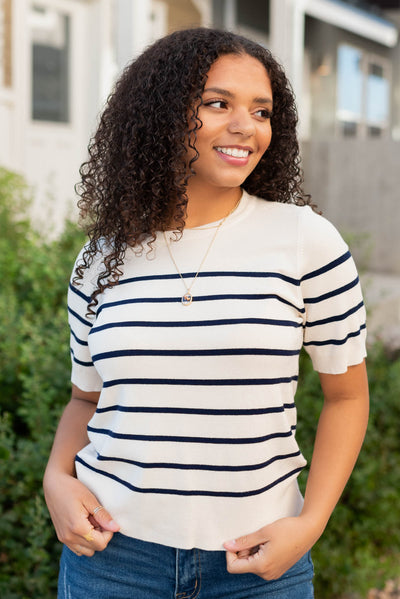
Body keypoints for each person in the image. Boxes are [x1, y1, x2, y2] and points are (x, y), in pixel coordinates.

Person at [43, 27, 369, 599]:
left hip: (258, 565)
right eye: (218, 104)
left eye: (261, 110)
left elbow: (347, 396)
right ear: (161, 117)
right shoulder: (100, 258)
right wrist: (55, 480)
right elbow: (86, 400)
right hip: (112, 560)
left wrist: (309, 524)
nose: (246, 126)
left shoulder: (305, 241)